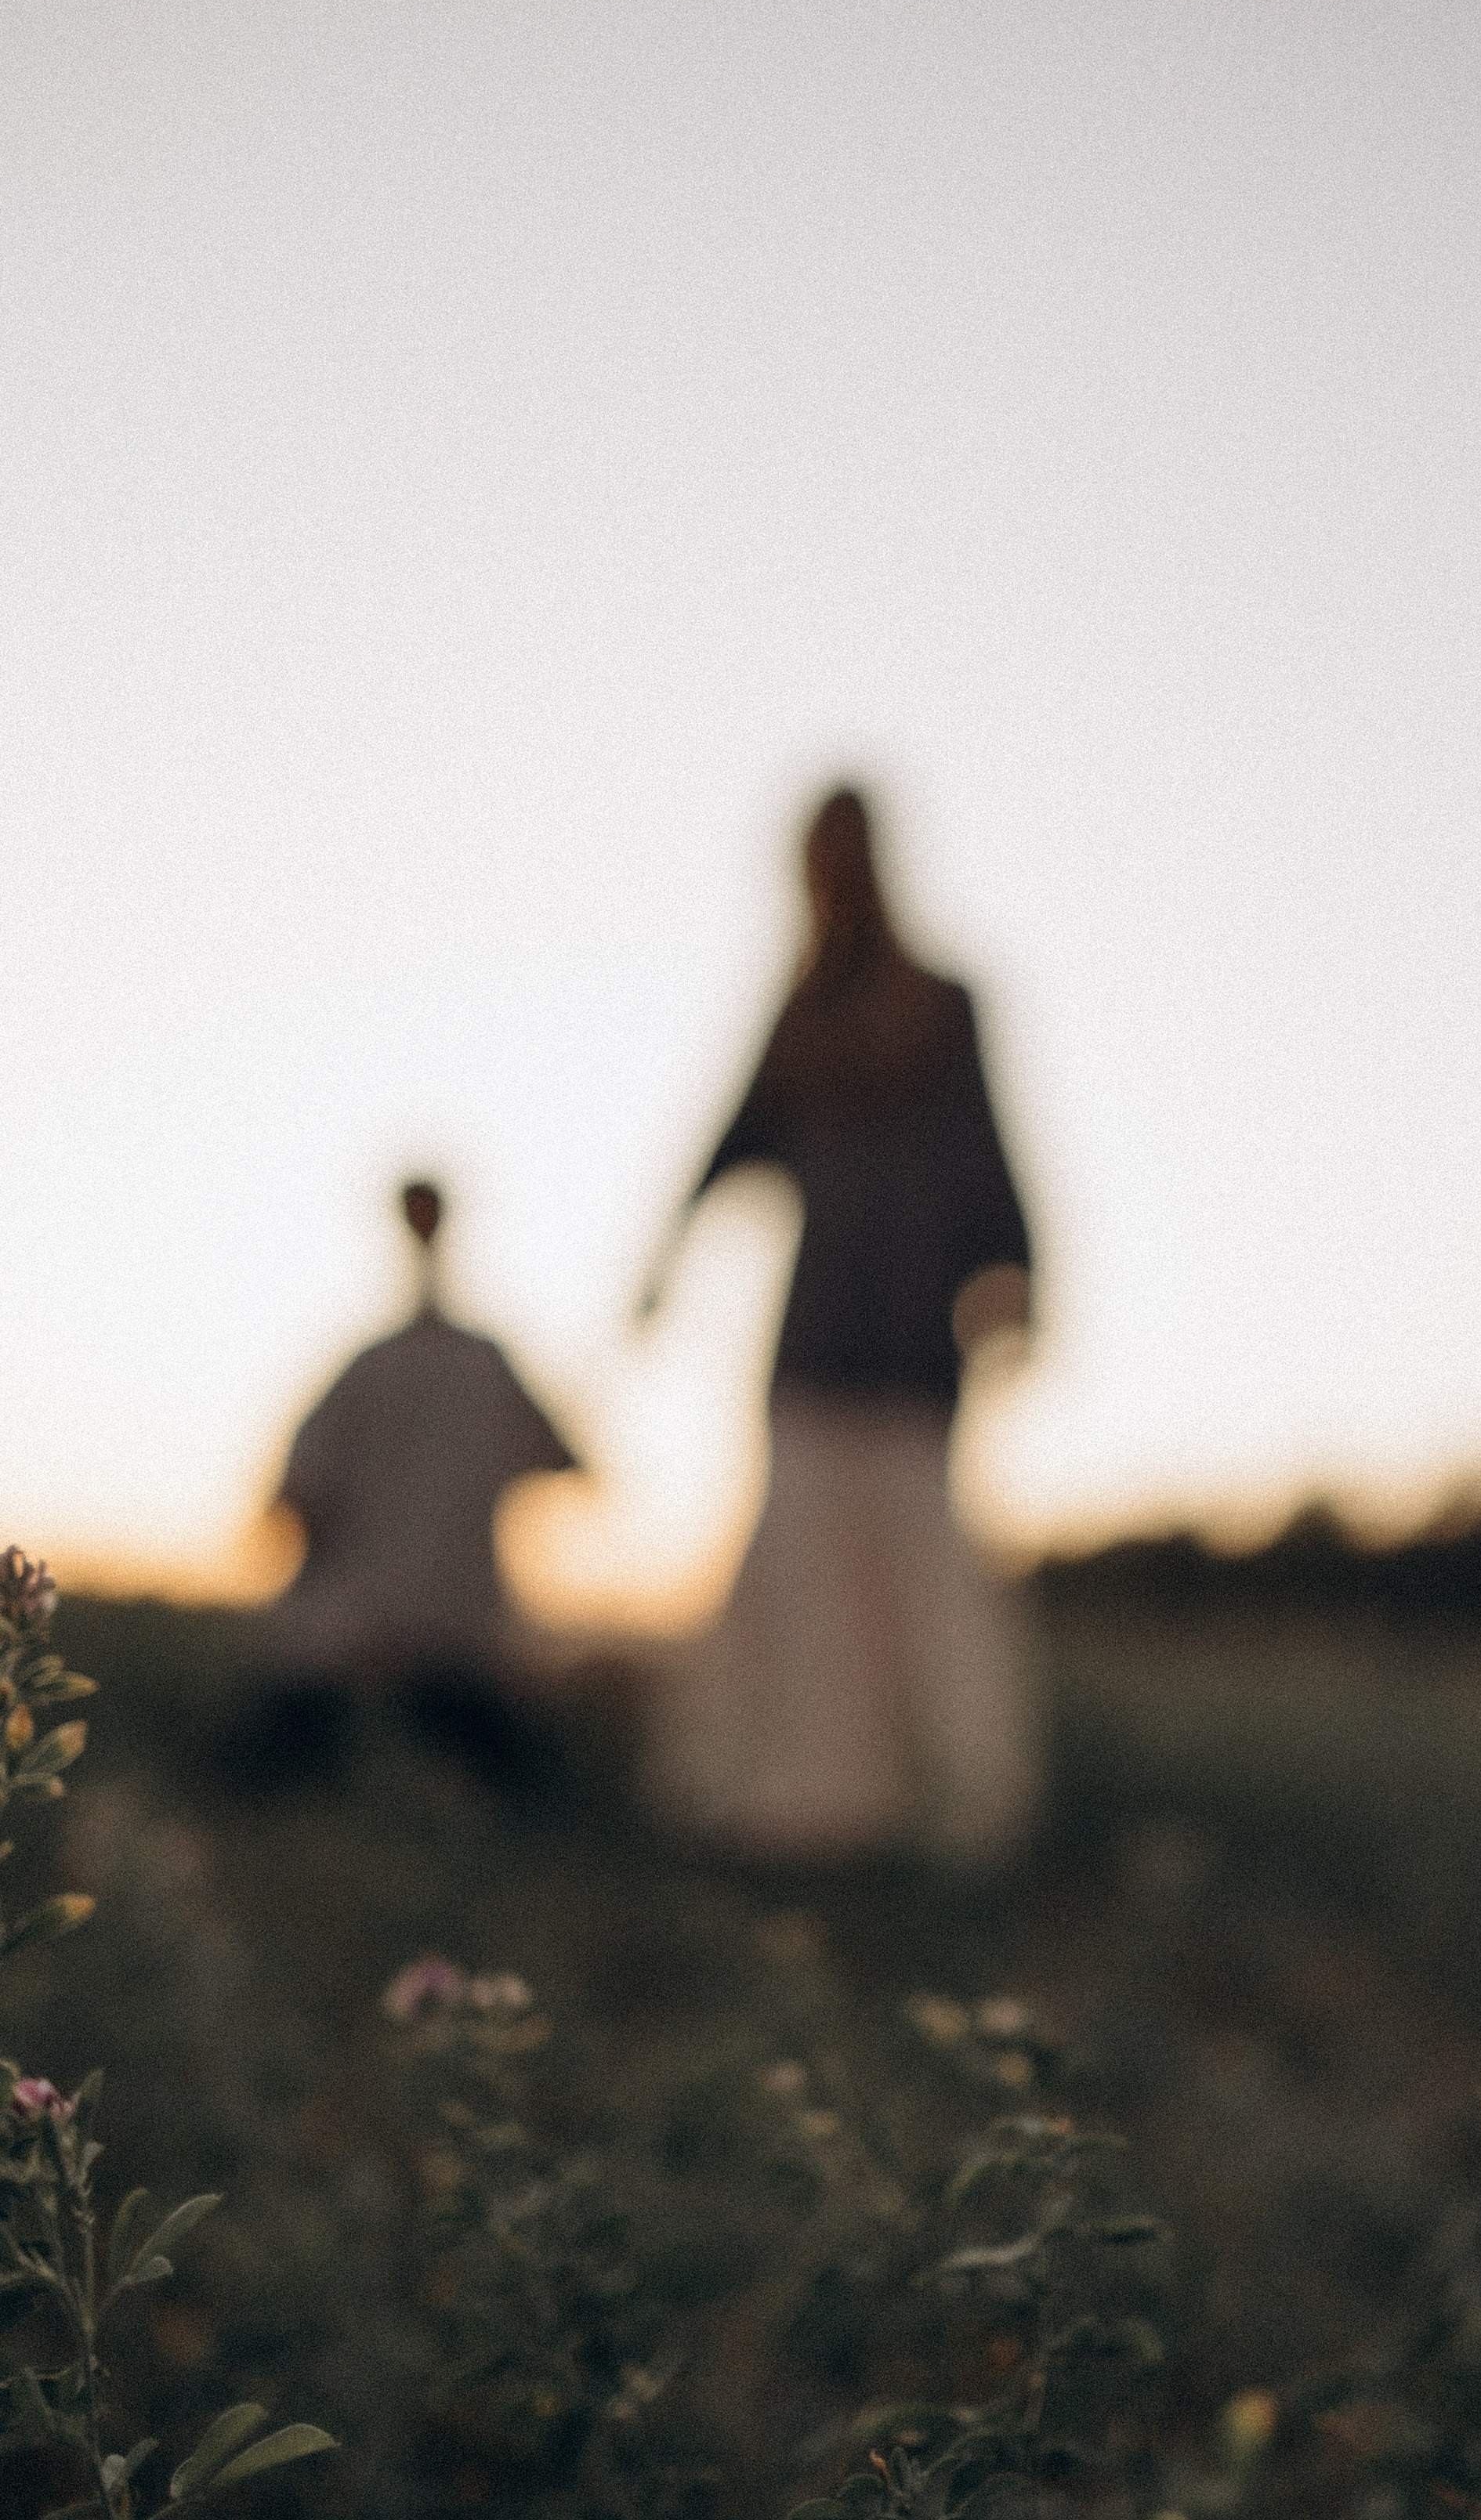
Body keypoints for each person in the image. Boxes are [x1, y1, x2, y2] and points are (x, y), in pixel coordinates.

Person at [635, 786, 1042, 1863]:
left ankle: (961, 1807)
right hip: (815, 1337)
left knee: (921, 1561)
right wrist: (663, 1265)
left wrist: (1015, 1274)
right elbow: (726, 1141)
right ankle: (813, 1804)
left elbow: (988, 1146)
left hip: (913, 1334)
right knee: (804, 1562)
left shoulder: (943, 1007)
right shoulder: (800, 1016)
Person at [248, 1179, 581, 1787]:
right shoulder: (459, 1368)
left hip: (433, 1647)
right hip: (411, 1646)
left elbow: (294, 1502)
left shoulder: (438, 1368)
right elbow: (568, 1460)